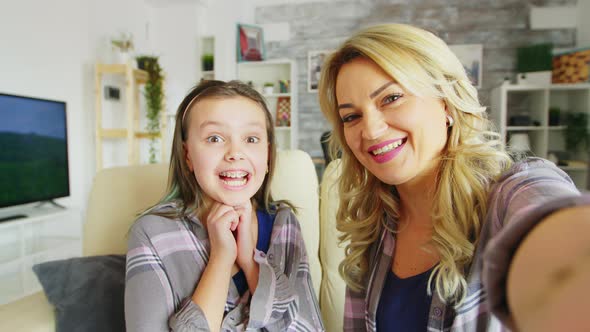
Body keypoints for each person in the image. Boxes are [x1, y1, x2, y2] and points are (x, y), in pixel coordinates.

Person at [318, 23, 590, 331]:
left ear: (446, 102)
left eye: (391, 98)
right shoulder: (373, 224)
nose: (370, 130)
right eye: (352, 116)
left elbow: (555, 217)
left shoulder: (508, 196)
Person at [125, 80, 324, 331]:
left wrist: (252, 264)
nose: (235, 153)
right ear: (188, 155)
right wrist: (221, 258)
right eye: (215, 138)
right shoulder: (151, 233)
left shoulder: (283, 223)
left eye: (251, 138)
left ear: (268, 156)